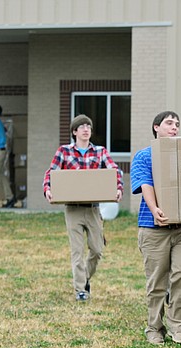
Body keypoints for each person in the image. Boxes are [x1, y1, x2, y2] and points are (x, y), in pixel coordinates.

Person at [131, 111, 181, 345]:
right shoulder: (144, 156)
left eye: (177, 124)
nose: (174, 127)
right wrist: (155, 210)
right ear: (156, 128)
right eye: (169, 123)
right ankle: (154, 327)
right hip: (153, 227)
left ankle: (178, 326)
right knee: (157, 281)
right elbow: (145, 184)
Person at [43, 114, 123, 302]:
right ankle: (80, 290)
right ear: (74, 131)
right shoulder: (64, 152)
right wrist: (48, 189)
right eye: (82, 126)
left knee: (97, 250)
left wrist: (118, 188)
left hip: (93, 209)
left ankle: (84, 277)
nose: (86, 129)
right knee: (77, 251)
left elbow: (115, 171)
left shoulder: (100, 152)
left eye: (89, 126)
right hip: (73, 209)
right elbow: (51, 172)